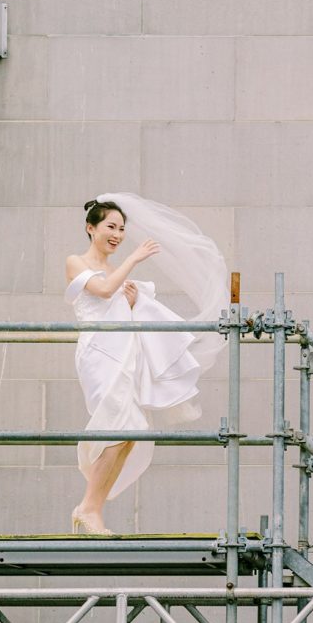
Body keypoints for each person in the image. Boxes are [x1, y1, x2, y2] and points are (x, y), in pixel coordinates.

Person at [64, 195, 227, 536]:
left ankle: (90, 507)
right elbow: (104, 290)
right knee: (118, 424)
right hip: (99, 353)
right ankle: (89, 508)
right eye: (111, 227)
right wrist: (135, 259)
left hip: (124, 351)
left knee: (130, 430)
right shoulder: (76, 262)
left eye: (122, 229)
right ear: (90, 228)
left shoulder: (115, 269)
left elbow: (119, 296)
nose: (118, 235)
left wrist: (137, 300)